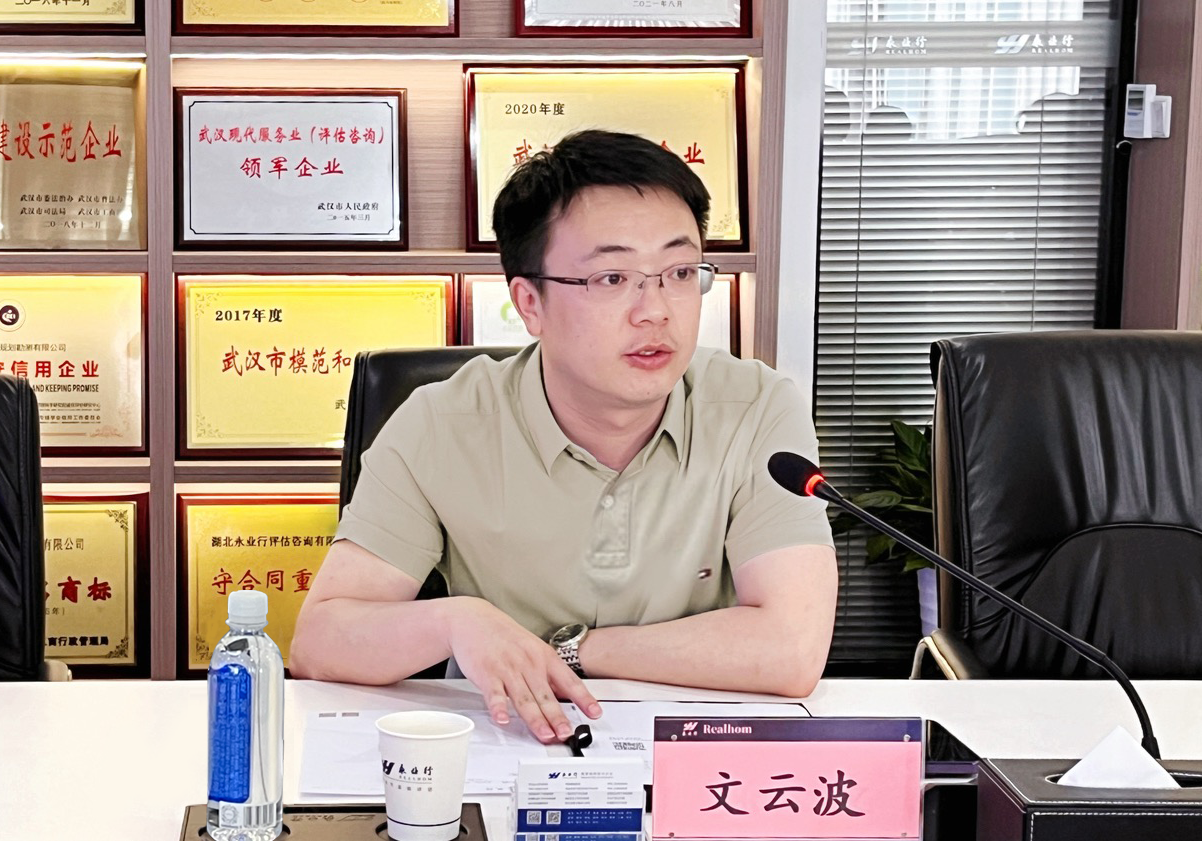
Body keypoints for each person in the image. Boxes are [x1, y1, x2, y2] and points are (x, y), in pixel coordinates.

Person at [291, 129, 838, 744]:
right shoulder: (442, 424)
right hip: (505, 737)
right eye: (611, 278)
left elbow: (790, 649)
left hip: (698, 749)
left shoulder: (756, 409)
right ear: (530, 303)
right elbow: (321, 643)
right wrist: (456, 622)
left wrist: (568, 651)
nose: (656, 310)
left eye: (680, 272)